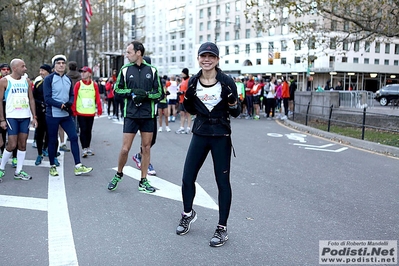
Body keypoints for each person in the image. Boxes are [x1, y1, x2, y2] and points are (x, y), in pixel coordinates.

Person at [175, 42, 241, 247]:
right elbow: (189, 108)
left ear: (217, 59)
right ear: (198, 59)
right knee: (187, 178)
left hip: (221, 135)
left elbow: (236, 111)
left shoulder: (227, 81)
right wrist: (188, 101)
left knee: (222, 183)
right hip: (201, 133)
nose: (207, 59)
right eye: (203, 56)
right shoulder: (193, 82)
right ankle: (188, 213)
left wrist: (231, 102)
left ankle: (222, 228)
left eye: (211, 56)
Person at [107, 41, 163, 192]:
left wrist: (145, 95)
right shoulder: (125, 69)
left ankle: (143, 180)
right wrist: (131, 93)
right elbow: (117, 90)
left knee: (146, 148)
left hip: (147, 115)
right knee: (125, 149)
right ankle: (118, 174)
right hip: (131, 114)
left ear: (138, 52)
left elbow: (159, 93)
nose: (127, 55)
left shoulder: (152, 70)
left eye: (129, 52)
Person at [43, 54, 93, 177]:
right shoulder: (49, 79)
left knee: (74, 137)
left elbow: (71, 94)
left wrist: (69, 103)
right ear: (54, 66)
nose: (61, 65)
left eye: (63, 63)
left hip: (66, 114)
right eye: (58, 63)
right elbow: (47, 98)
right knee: (53, 140)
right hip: (53, 114)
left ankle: (78, 166)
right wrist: (60, 105)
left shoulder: (68, 79)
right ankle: (52, 166)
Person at [0, 59, 37, 181]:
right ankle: (1, 168)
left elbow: (31, 99)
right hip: (12, 117)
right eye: (23, 66)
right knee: (12, 144)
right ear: (15, 68)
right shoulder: (5, 81)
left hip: (25, 117)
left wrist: (34, 116)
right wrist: (2, 119)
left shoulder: (26, 81)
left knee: (22, 144)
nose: (25, 69)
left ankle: (19, 171)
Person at [131, 56, 161, 176]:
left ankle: (139, 155)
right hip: (135, 114)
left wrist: (148, 95)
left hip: (150, 114)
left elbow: (160, 94)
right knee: (144, 142)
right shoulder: (134, 77)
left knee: (151, 141)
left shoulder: (153, 76)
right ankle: (146, 163)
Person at [71, 66, 102, 157]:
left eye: (84, 72)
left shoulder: (94, 84)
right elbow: (75, 97)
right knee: (83, 130)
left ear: (89, 73)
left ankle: (88, 147)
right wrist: (74, 109)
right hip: (81, 112)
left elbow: (97, 97)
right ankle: (84, 148)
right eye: (81, 72)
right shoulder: (78, 84)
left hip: (90, 111)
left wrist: (99, 109)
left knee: (89, 130)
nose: (82, 74)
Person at [33, 64, 53, 166]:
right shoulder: (38, 83)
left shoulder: (54, 83)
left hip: (52, 112)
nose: (41, 73)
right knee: (40, 134)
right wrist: (40, 103)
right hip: (40, 112)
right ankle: (39, 154)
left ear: (48, 72)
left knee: (51, 134)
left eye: (43, 71)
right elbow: (33, 97)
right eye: (40, 70)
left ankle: (49, 153)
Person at [175, 68, 192, 134]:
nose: (182, 74)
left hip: (187, 99)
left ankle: (188, 127)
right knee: (182, 113)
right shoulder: (182, 80)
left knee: (188, 114)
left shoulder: (189, 80)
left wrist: (183, 92)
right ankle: (182, 127)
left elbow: (189, 89)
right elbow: (180, 87)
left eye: (183, 73)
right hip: (181, 99)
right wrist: (179, 92)